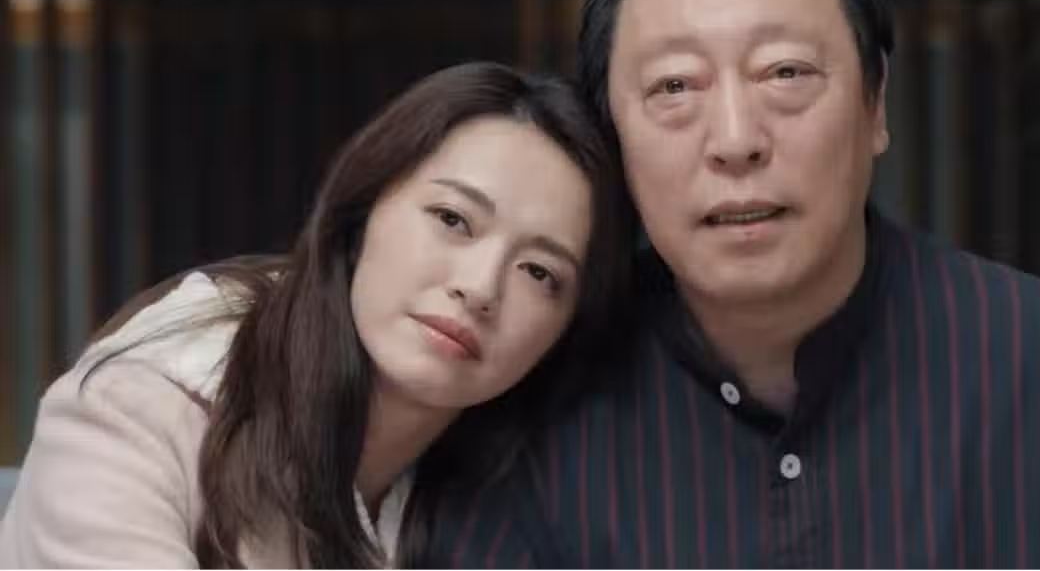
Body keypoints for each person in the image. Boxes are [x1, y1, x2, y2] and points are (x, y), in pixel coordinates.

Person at [427, 0, 1040, 568]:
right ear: (613, 140)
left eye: (786, 72)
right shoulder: (538, 404)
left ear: (875, 105)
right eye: (675, 86)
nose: (735, 139)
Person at [0, 61, 632, 568]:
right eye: (452, 219)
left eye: (539, 273)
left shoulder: (512, 490)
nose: (480, 287)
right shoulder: (141, 408)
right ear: (361, 213)